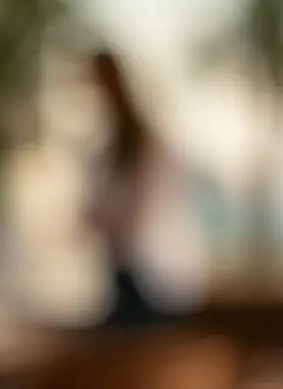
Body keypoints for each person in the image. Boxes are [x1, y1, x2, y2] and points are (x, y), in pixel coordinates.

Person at [84, 48, 207, 328]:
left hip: (153, 284)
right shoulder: (110, 150)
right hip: (131, 279)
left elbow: (132, 218)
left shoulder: (146, 146)